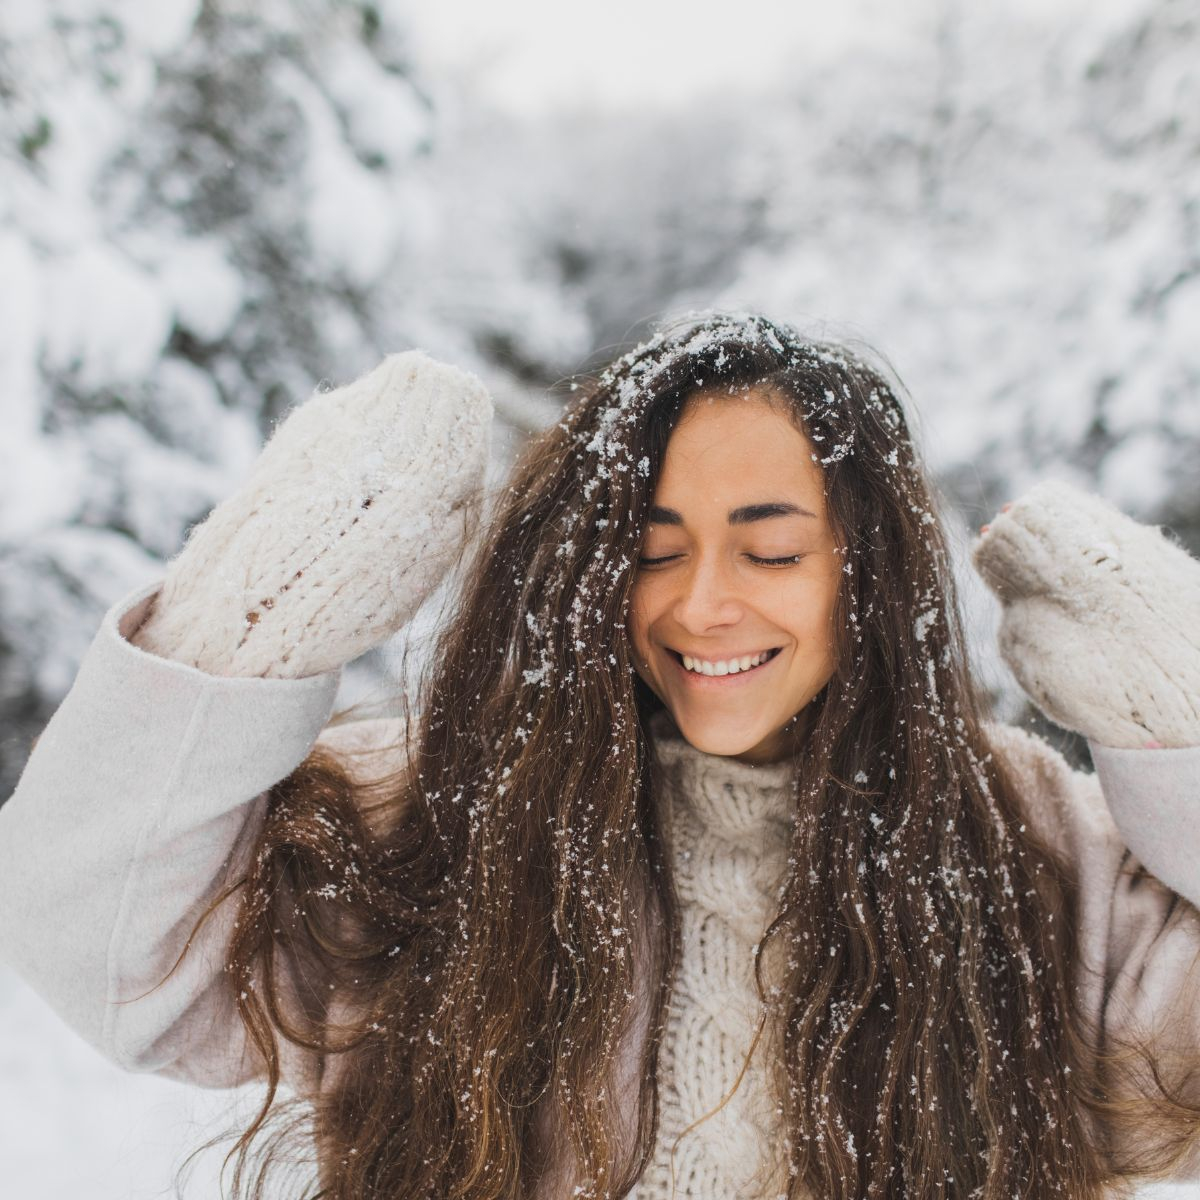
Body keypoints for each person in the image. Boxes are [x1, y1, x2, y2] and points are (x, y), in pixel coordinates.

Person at [1, 309, 1198, 1200]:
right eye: (652, 547)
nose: (704, 605)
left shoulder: (1027, 851)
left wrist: (1178, 706)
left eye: (771, 551)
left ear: (865, 573)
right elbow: (99, 946)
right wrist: (255, 610)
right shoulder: (438, 813)